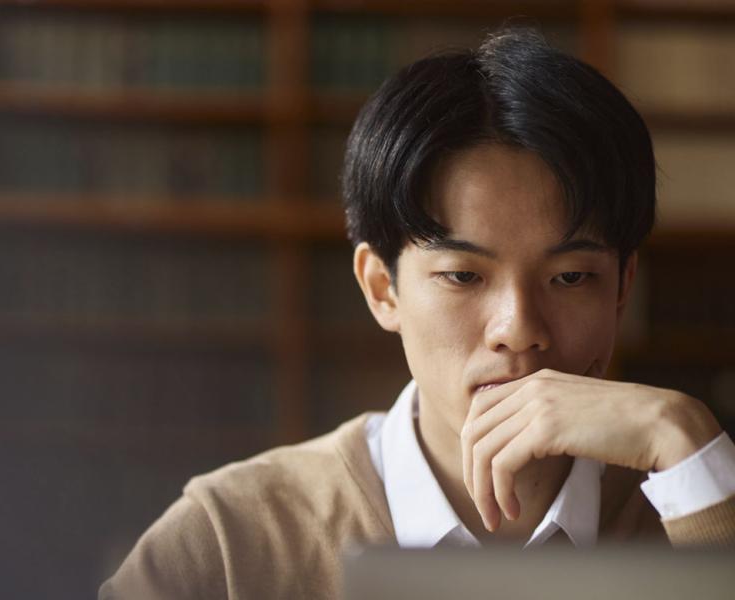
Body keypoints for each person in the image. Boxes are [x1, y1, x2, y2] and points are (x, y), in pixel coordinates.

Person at [100, 28, 735, 600]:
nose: (518, 328)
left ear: (622, 287)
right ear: (383, 289)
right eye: (463, 275)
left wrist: (686, 441)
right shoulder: (233, 539)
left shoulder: (703, 502)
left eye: (571, 277)